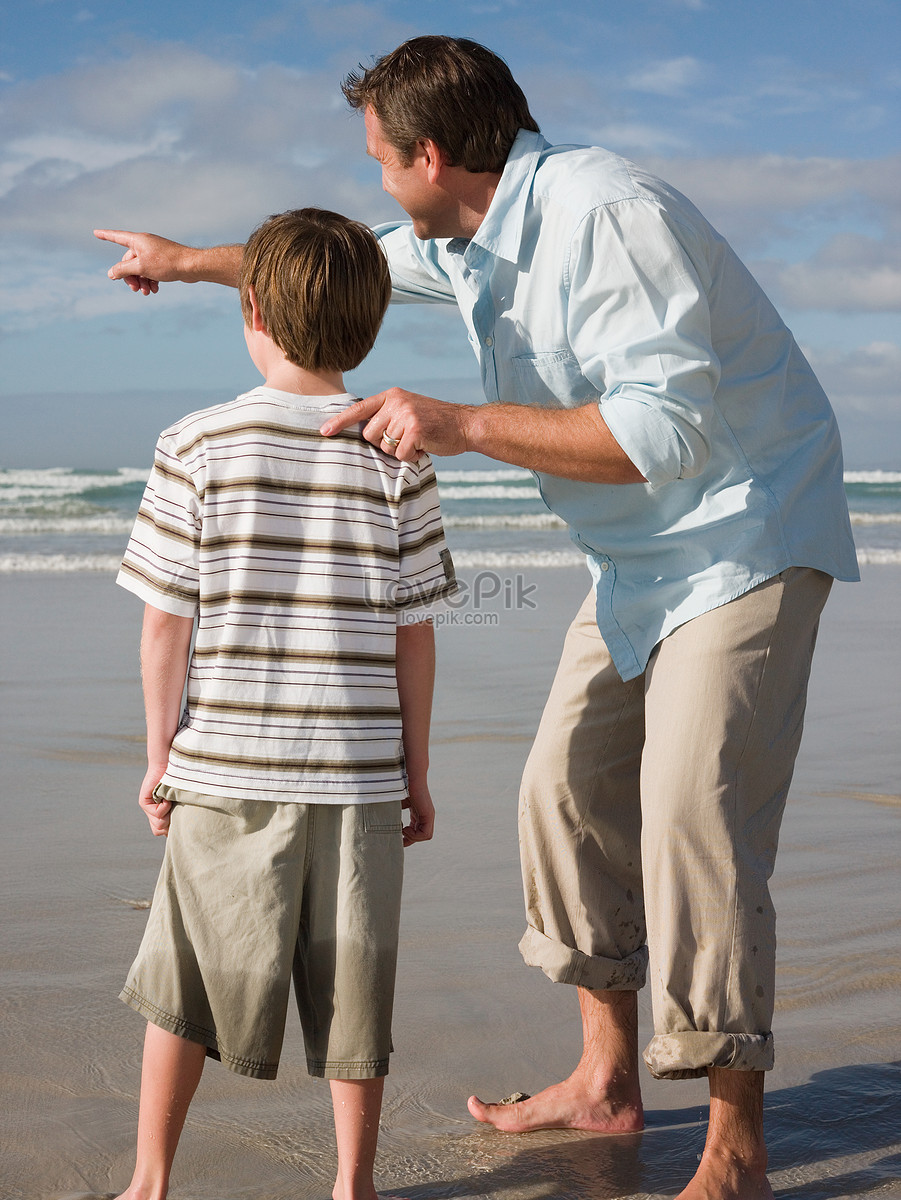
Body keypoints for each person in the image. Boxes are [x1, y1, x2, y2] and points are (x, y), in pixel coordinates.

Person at [95, 34, 859, 1200]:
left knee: (689, 818)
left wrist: (458, 424)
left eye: (378, 161)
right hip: (636, 560)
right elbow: (335, 262)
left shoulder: (607, 217)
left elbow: (668, 436)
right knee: (561, 795)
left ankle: (734, 1146)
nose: (375, 183)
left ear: (432, 154)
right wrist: (187, 259)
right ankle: (607, 1081)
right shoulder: (469, 234)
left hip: (741, 537)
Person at [110, 206, 457, 1200]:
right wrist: (416, 770)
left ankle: (150, 1181)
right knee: (355, 985)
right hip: (355, 774)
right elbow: (412, 632)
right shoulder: (398, 456)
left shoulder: (197, 443)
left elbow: (166, 623)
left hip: (224, 763)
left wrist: (158, 752)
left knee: (182, 979)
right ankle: (353, 1185)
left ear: (251, 306)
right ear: (369, 325)